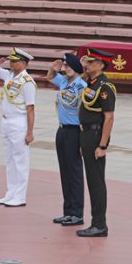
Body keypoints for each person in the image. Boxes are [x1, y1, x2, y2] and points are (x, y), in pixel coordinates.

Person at [77, 48, 116, 237]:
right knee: (91, 180)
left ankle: (99, 224)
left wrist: (102, 146)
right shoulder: (91, 82)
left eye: (91, 62)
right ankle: (96, 222)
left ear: (100, 65)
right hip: (86, 135)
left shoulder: (105, 86)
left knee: (96, 181)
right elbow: (80, 73)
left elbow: (109, 118)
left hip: (96, 136)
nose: (87, 65)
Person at [0, 48, 36, 207]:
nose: (11, 63)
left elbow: (31, 108)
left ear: (23, 64)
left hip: (19, 121)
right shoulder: (9, 75)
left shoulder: (27, 81)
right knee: (9, 159)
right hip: (6, 120)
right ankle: (10, 192)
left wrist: (30, 132)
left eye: (14, 61)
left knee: (20, 160)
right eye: (11, 60)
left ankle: (20, 195)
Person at [47, 53, 87, 226]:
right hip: (62, 130)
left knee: (75, 173)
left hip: (74, 132)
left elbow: (85, 113)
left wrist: (83, 141)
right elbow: (49, 77)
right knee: (65, 172)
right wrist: (53, 68)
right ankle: (68, 211)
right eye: (64, 66)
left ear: (76, 67)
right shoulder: (64, 81)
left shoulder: (81, 86)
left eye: (68, 65)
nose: (65, 68)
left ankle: (77, 213)